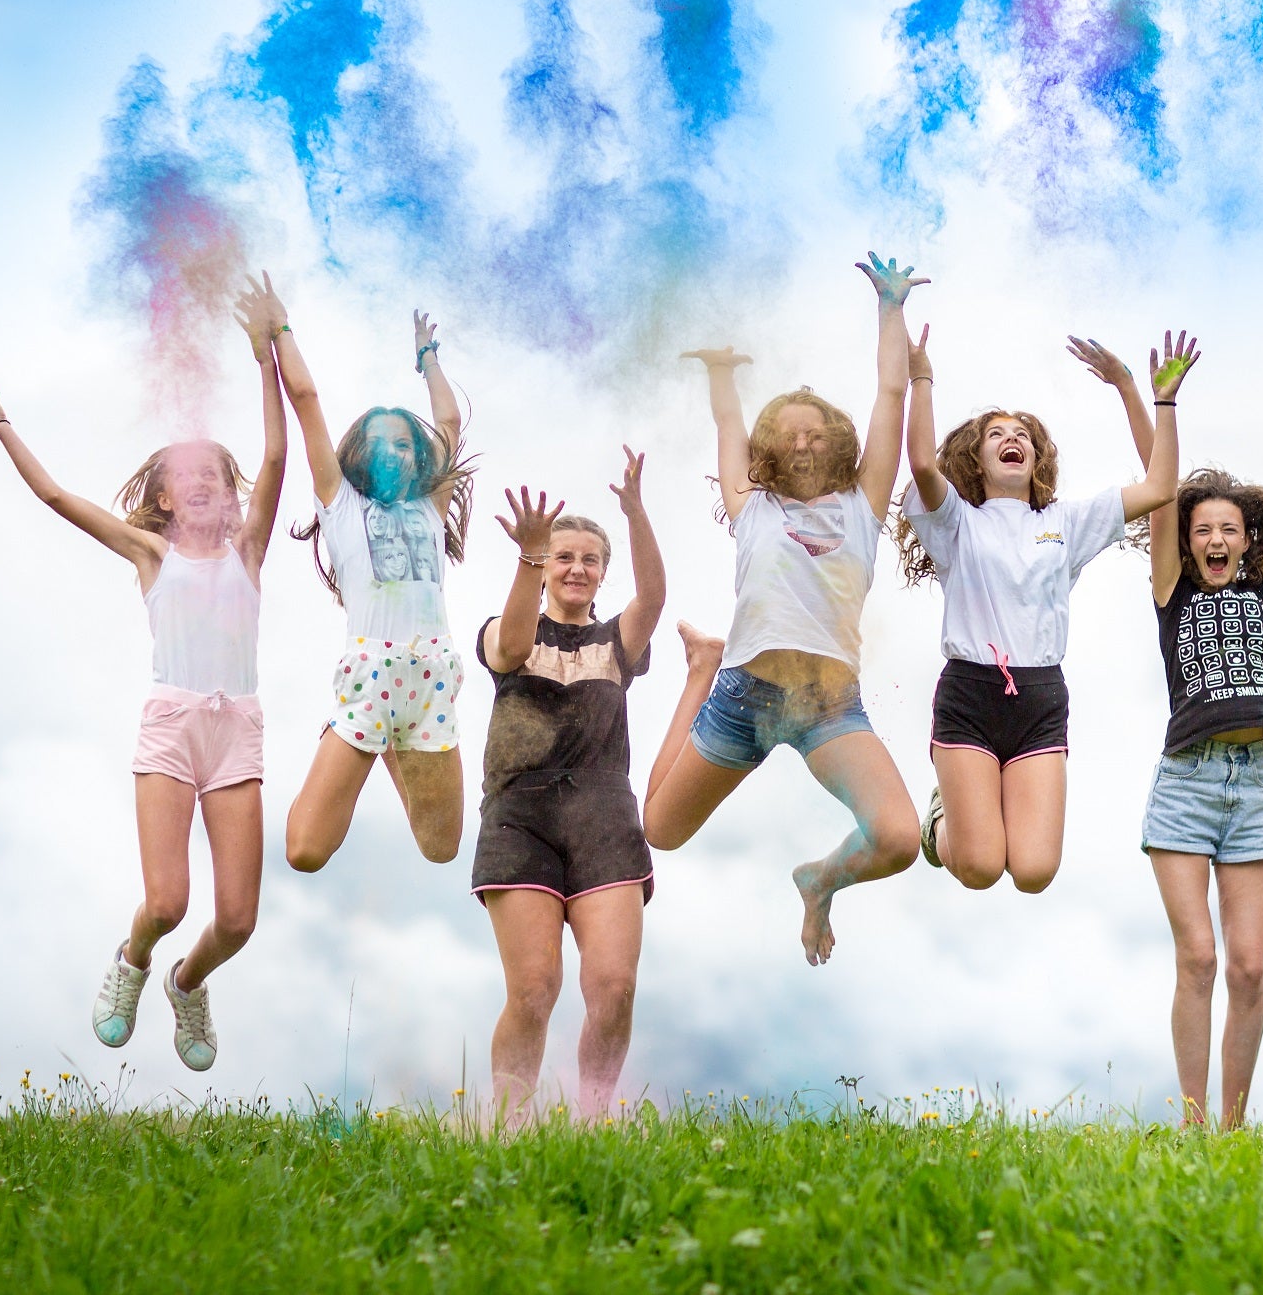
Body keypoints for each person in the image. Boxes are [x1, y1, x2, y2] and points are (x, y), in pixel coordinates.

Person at [0, 276, 288, 1071]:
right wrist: (0, 419)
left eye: (216, 470)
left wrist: (264, 353)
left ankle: (185, 981)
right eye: (187, 471)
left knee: (236, 920)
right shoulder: (152, 553)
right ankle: (135, 958)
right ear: (165, 495)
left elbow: (276, 453)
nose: (204, 478)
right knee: (168, 901)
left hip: (236, 726)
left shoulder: (249, 550)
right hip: (172, 725)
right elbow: (53, 493)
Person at [1083, 330, 1263, 1129]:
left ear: (1247, 538)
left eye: (1229, 528)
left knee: (1251, 969)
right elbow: (1159, 489)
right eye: (1203, 530)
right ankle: (1194, 1124)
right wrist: (1154, 397)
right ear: (1187, 540)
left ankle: (1231, 1128)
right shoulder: (1171, 590)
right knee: (1198, 957)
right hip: (1186, 788)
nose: (1217, 539)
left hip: (1250, 790)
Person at [643, 254, 924, 966]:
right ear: (770, 448)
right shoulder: (754, 507)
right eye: (788, 432)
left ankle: (820, 880)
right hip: (744, 696)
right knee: (659, 828)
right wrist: (720, 376)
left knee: (897, 837)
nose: (803, 439)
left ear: (836, 441)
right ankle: (699, 670)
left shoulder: (863, 505)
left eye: (816, 430)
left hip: (829, 705)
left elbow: (891, 395)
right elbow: (729, 424)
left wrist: (890, 308)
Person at [892, 324, 1181, 893]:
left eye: (1022, 432)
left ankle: (969, 803)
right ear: (977, 460)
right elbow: (923, 465)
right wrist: (921, 377)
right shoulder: (957, 523)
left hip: (1041, 698)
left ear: (1035, 456)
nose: (1012, 437)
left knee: (1032, 872)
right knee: (977, 868)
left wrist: (1139, 391)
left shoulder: (1065, 524)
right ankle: (940, 821)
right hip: (970, 694)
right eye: (997, 433)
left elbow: (1162, 485)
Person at [471, 450, 680, 1124]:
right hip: (519, 815)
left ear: (601, 574)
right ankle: (507, 1125)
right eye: (564, 556)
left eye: (589, 559)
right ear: (544, 565)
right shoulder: (512, 631)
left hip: (603, 815)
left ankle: (592, 1121)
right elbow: (506, 647)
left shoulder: (615, 642)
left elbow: (652, 599)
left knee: (613, 985)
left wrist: (637, 512)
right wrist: (528, 559)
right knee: (534, 987)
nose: (576, 568)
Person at [278, 300, 476, 871]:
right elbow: (307, 402)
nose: (394, 450)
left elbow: (449, 425)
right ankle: (345, 735)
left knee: (441, 849)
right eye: (380, 441)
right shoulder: (343, 505)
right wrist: (282, 329)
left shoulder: (431, 508)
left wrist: (428, 359)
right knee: (305, 852)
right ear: (359, 456)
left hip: (434, 681)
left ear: (419, 461)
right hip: (372, 680)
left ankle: (393, 743)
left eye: (405, 443)